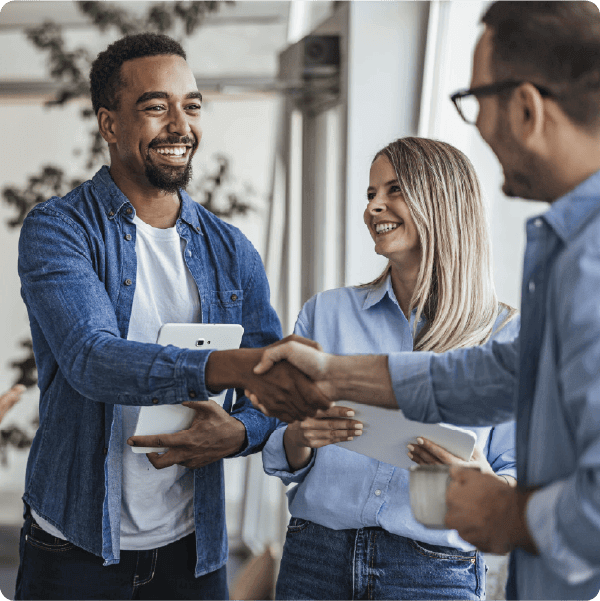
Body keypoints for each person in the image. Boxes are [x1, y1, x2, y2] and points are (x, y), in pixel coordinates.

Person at [251, 1, 600, 599]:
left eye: (475, 101)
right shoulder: (561, 247)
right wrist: (333, 374)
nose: (479, 127)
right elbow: (494, 375)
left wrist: (510, 511)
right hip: (320, 552)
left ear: (525, 107)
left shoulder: (585, 261)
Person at [15, 32, 328, 601]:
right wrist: (228, 366)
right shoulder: (59, 230)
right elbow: (92, 359)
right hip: (76, 547)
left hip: (193, 548)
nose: (180, 126)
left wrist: (238, 434)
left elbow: (272, 395)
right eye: (156, 107)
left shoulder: (230, 249)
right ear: (110, 125)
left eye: (191, 105)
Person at [261, 137, 518, 601]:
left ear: (441, 202)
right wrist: (301, 435)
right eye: (370, 194)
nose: (374, 207)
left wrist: (483, 480)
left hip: (434, 573)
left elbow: (521, 474)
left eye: (393, 190)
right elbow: (283, 451)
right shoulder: (327, 313)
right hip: (316, 558)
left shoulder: (503, 335)